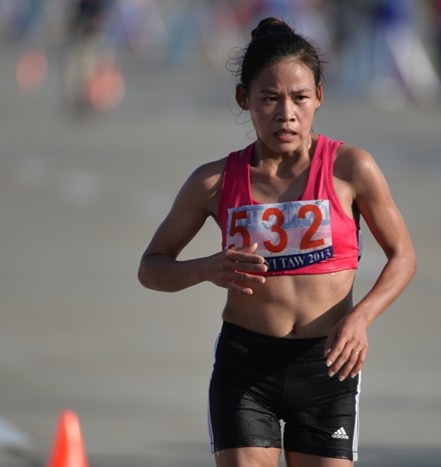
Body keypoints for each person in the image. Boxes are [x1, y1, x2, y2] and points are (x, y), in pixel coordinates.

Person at [137, 17, 416, 467]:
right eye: (269, 98)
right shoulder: (213, 182)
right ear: (243, 98)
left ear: (319, 96)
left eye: (299, 97)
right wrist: (205, 268)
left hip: (328, 364)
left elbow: (403, 256)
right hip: (246, 367)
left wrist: (361, 318)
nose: (286, 113)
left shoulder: (350, 169)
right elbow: (152, 267)